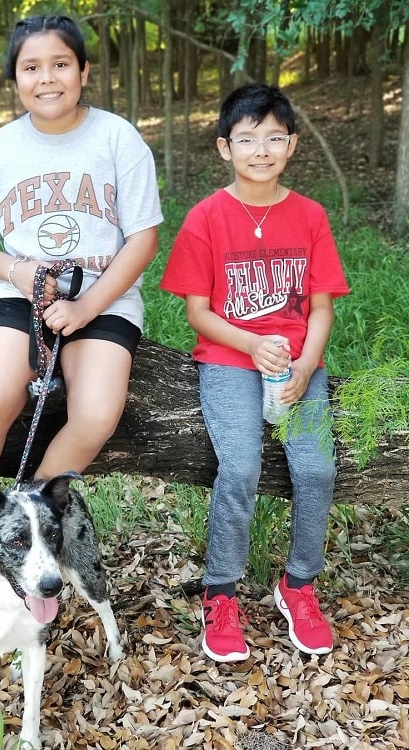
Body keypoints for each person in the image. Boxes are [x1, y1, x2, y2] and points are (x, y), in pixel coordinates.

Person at [0, 15, 163, 616]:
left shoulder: (117, 138)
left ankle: (23, 530)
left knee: (98, 413)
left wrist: (88, 306)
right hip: (20, 293)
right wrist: (21, 273)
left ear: (83, 72)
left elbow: (144, 239)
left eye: (60, 64)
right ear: (15, 79)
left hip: (103, 295)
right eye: (31, 67)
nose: (46, 77)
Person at [160, 83, 349, 662]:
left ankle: (298, 584)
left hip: (298, 364)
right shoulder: (206, 217)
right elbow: (198, 312)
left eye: (273, 138)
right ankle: (220, 594)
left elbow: (321, 306)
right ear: (225, 148)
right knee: (239, 468)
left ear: (291, 145)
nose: (260, 149)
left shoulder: (310, 216)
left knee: (316, 469)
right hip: (228, 362)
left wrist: (307, 364)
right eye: (247, 139)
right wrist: (251, 342)